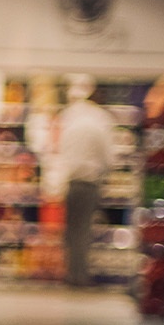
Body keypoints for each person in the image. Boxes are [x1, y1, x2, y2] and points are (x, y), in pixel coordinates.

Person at [56, 73, 115, 287]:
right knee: (84, 229)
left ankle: (72, 273)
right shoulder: (101, 118)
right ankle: (80, 276)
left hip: (72, 182)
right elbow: (108, 155)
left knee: (72, 230)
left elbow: (60, 150)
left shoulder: (68, 116)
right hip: (90, 182)